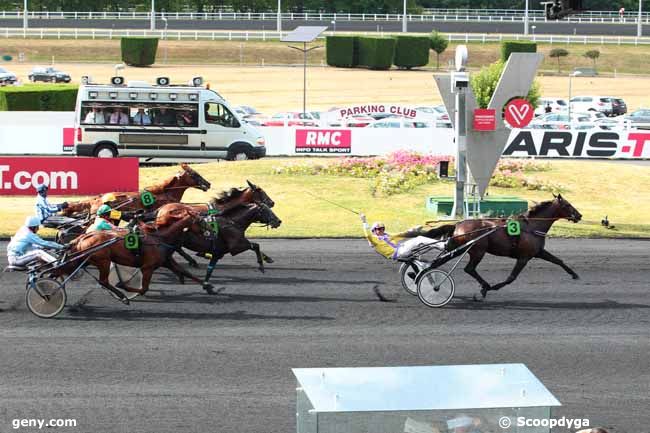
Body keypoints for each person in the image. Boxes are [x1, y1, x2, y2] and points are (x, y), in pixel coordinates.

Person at [360, 213, 444, 261]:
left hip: (401, 249)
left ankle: (438, 243)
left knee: (418, 239)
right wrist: (364, 221)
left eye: (382, 228)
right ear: (374, 231)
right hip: (399, 253)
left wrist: (413, 229)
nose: (381, 230)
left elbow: (401, 234)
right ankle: (443, 246)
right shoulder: (374, 240)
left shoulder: (387, 236)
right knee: (419, 239)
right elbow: (368, 235)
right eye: (378, 229)